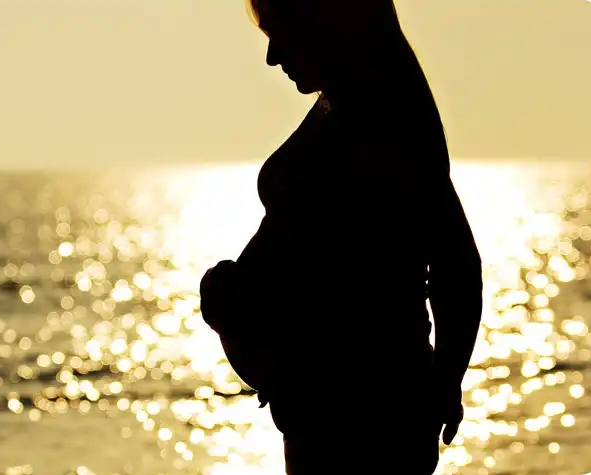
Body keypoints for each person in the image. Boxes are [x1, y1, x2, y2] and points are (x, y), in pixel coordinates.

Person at [199, 0, 483, 473]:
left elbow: (456, 263)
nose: (272, 56)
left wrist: (445, 383)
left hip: (360, 425)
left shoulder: (385, 119)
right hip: (318, 417)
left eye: (279, 33)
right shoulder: (341, 106)